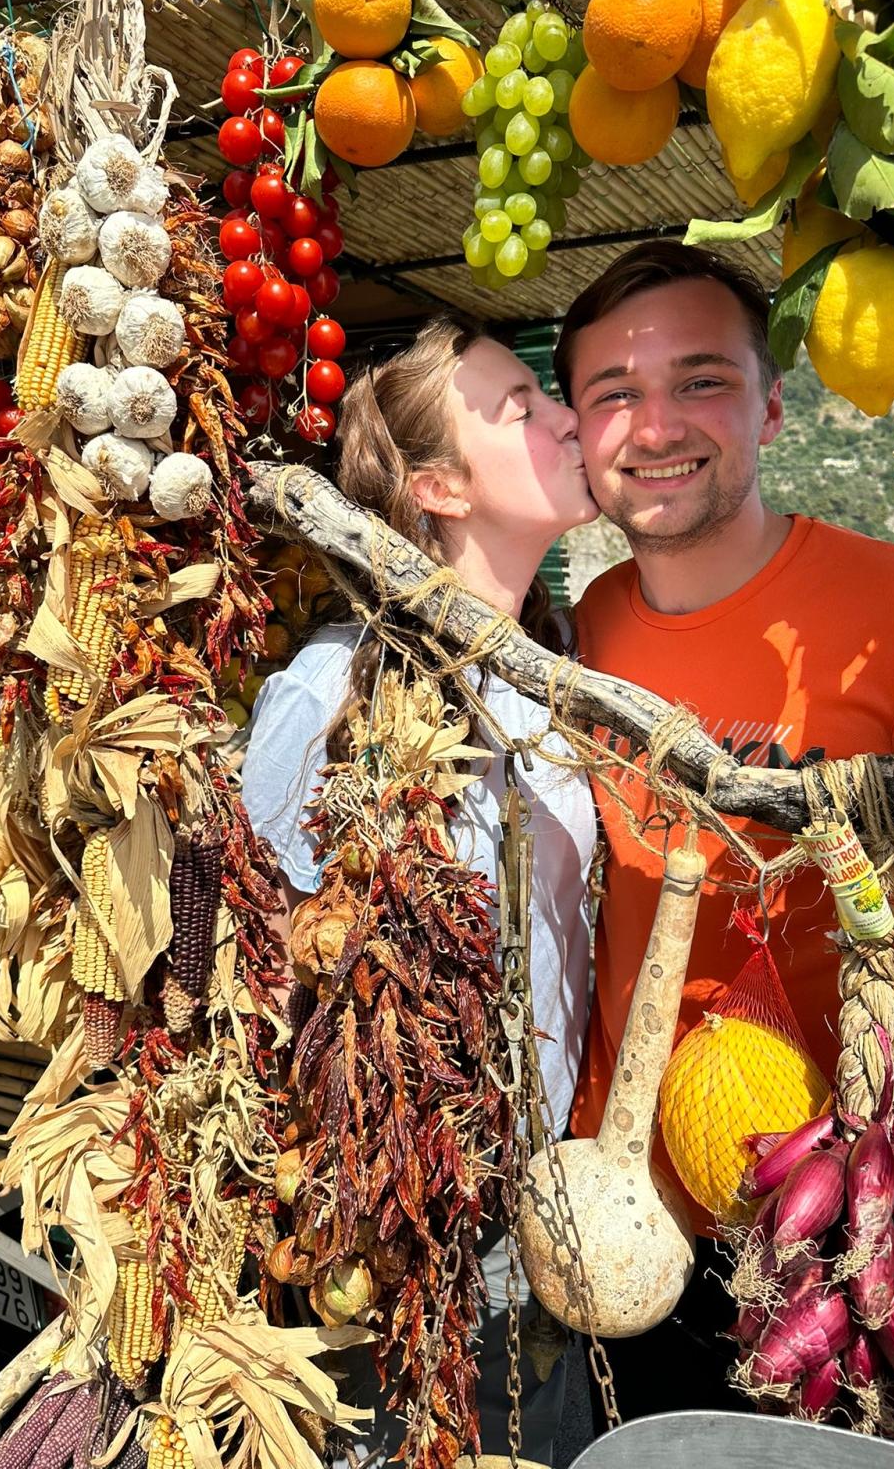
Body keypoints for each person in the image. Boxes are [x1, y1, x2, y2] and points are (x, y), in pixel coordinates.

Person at [553, 240, 894, 1426]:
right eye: (614, 394)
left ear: (773, 403)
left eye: (701, 381)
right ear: (579, 430)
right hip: (633, 1208)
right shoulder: (585, 624)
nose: (655, 427)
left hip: (841, 1239)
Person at [241, 315, 600, 1465]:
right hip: (405, 1220)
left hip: (538, 1214)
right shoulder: (328, 694)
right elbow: (268, 978)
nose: (564, 416)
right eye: (520, 404)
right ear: (439, 487)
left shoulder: (559, 676)